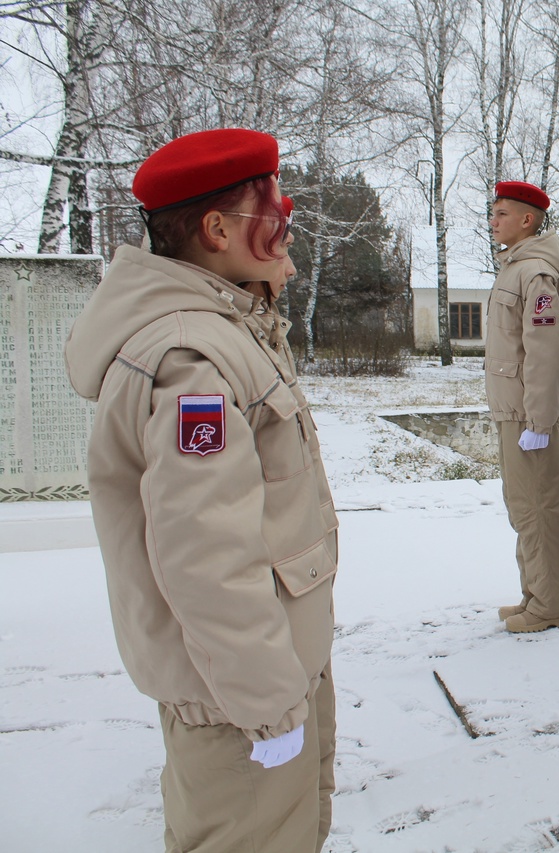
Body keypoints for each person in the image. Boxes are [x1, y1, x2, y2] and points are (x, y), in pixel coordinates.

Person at [64, 129, 339, 853]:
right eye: (271, 205)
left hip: (264, 674)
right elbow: (205, 557)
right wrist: (270, 703)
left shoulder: (227, 325)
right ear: (218, 231)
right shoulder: (192, 361)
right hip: (243, 702)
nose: (286, 219)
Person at [485, 180, 559, 633]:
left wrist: (540, 419)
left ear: (527, 219)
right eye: (493, 212)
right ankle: (535, 595)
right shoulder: (514, 268)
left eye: (501, 213)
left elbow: (545, 352)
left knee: (539, 507)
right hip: (513, 411)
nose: (493, 221)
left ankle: (551, 606)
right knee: (524, 507)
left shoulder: (535, 273)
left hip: (527, 414)